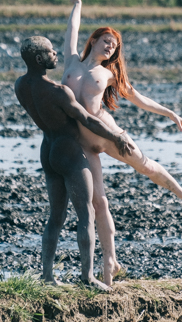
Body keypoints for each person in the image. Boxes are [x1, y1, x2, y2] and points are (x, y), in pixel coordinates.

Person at [61, 0, 182, 287]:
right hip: (83, 144)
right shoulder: (72, 61)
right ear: (95, 40)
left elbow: (139, 99)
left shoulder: (109, 74)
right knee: (98, 202)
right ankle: (110, 261)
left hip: (111, 135)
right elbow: (71, 30)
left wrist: (171, 114)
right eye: (105, 40)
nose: (109, 46)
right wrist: (78, 4)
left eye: (114, 45)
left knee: (148, 166)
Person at [15, 35, 134, 290]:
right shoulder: (58, 91)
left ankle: (47, 276)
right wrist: (115, 136)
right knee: (86, 214)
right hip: (68, 151)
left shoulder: (20, 86)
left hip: (47, 150)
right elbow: (87, 120)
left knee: (55, 218)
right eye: (50, 52)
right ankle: (88, 278)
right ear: (39, 59)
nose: (56, 54)